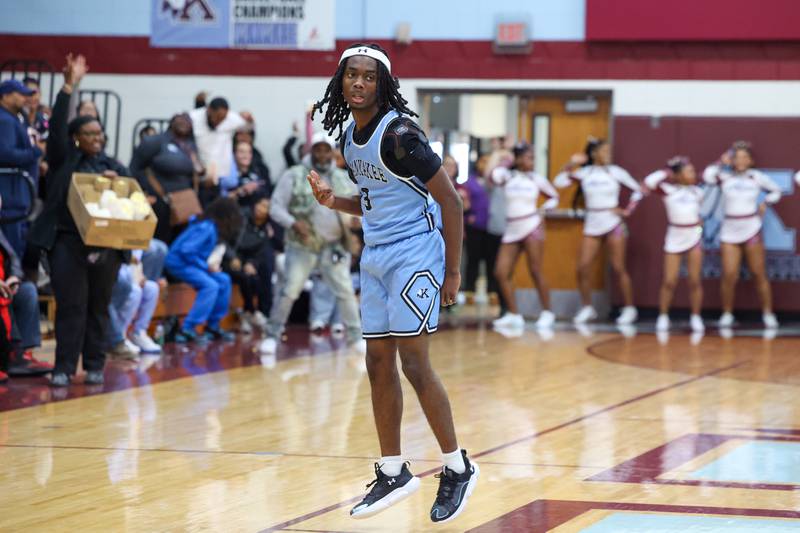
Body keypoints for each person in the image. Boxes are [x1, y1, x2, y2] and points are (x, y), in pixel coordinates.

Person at [308, 43, 478, 523]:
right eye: (351, 76)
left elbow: (450, 201)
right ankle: (393, 470)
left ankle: (456, 466)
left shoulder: (400, 133)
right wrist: (332, 202)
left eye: (368, 77)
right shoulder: (348, 138)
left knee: (414, 364)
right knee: (376, 361)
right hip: (377, 255)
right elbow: (372, 202)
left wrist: (452, 271)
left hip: (416, 253)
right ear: (341, 82)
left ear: (382, 85)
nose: (359, 83)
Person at [27, 54, 127, 387]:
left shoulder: (114, 166)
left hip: (106, 245)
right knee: (71, 306)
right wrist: (69, 87)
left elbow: (133, 205)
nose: (97, 139)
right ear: (77, 138)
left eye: (99, 134)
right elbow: (57, 128)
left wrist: (120, 185)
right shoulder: (62, 161)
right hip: (68, 242)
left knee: (99, 307)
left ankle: (95, 363)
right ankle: (64, 367)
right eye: (89, 134)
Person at [258, 132, 362, 353]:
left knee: (344, 290)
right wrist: (293, 223)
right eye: (318, 149)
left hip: (333, 245)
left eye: (326, 149)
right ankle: (272, 334)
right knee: (289, 291)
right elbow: (275, 207)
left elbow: (357, 207)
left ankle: (355, 337)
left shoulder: (343, 178)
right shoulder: (294, 175)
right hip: (302, 244)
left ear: (332, 152)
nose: (322, 154)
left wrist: (354, 222)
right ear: (310, 151)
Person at [554, 138, 643, 325]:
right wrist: (571, 163)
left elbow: (639, 190)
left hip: (613, 223)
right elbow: (559, 181)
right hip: (593, 223)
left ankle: (629, 308)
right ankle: (587, 308)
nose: (608, 154)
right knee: (582, 267)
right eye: (604, 151)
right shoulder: (584, 173)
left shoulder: (616, 172)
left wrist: (627, 210)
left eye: (610, 151)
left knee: (618, 267)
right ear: (594, 154)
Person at [703, 141, 782, 328]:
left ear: (751, 160)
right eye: (737, 157)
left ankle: (768, 313)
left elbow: (776, 191)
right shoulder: (723, 176)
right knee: (730, 274)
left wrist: (765, 203)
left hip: (751, 227)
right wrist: (720, 161)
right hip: (729, 229)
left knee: (758, 273)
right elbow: (707, 177)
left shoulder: (756, 177)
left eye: (744, 157)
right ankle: (727, 313)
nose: (741, 160)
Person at [490, 142, 559, 329]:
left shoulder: (536, 179)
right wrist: (506, 160)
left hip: (531, 226)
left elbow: (554, 197)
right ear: (518, 158)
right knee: (501, 272)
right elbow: (493, 175)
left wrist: (542, 210)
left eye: (533, 158)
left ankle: (547, 312)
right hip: (512, 228)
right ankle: (514, 314)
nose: (532, 161)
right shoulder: (507, 175)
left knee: (535, 270)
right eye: (528, 157)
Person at [165, 197, 243, 343]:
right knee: (210, 285)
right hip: (178, 262)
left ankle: (213, 325)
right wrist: (206, 267)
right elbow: (186, 251)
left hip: (190, 263)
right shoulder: (206, 227)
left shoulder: (211, 226)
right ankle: (187, 328)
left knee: (224, 280)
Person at [643, 157, 705, 333]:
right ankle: (663, 316)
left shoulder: (698, 192)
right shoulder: (668, 190)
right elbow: (649, 182)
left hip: (694, 235)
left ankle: (696, 316)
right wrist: (667, 171)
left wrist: (699, 228)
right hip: (674, 236)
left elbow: (699, 214)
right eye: (689, 171)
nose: (693, 174)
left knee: (694, 280)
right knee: (669, 281)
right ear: (679, 175)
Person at [130, 113, 202, 243]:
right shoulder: (155, 141)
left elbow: (195, 172)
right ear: (172, 122)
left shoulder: (191, 146)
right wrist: (143, 192)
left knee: (179, 242)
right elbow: (135, 167)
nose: (184, 123)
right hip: (159, 202)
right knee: (159, 242)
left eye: (187, 121)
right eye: (180, 119)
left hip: (184, 205)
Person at [227, 193, 282, 333]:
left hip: (245, 262)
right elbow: (227, 240)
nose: (260, 208)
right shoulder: (242, 219)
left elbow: (259, 253)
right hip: (229, 258)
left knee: (253, 277)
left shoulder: (266, 230)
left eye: (265, 207)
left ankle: (249, 313)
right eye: (259, 204)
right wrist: (233, 257)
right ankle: (251, 312)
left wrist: (251, 263)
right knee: (246, 277)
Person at [0, 79, 42, 260]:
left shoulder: (15, 118)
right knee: (12, 250)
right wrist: (37, 151)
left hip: (17, 195)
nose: (25, 98)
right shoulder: (5, 120)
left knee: (17, 246)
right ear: (5, 96)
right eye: (20, 94)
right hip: (10, 195)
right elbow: (6, 154)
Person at [189, 97, 252, 205]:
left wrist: (249, 120)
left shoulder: (232, 119)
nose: (219, 122)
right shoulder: (193, 118)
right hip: (198, 171)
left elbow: (248, 126)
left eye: (223, 119)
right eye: (217, 117)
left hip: (219, 173)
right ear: (209, 110)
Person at [107, 249, 161, 356]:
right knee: (134, 291)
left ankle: (139, 332)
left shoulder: (138, 238)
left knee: (152, 288)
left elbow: (136, 261)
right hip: (116, 275)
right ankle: (120, 336)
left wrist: (139, 275)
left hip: (131, 273)